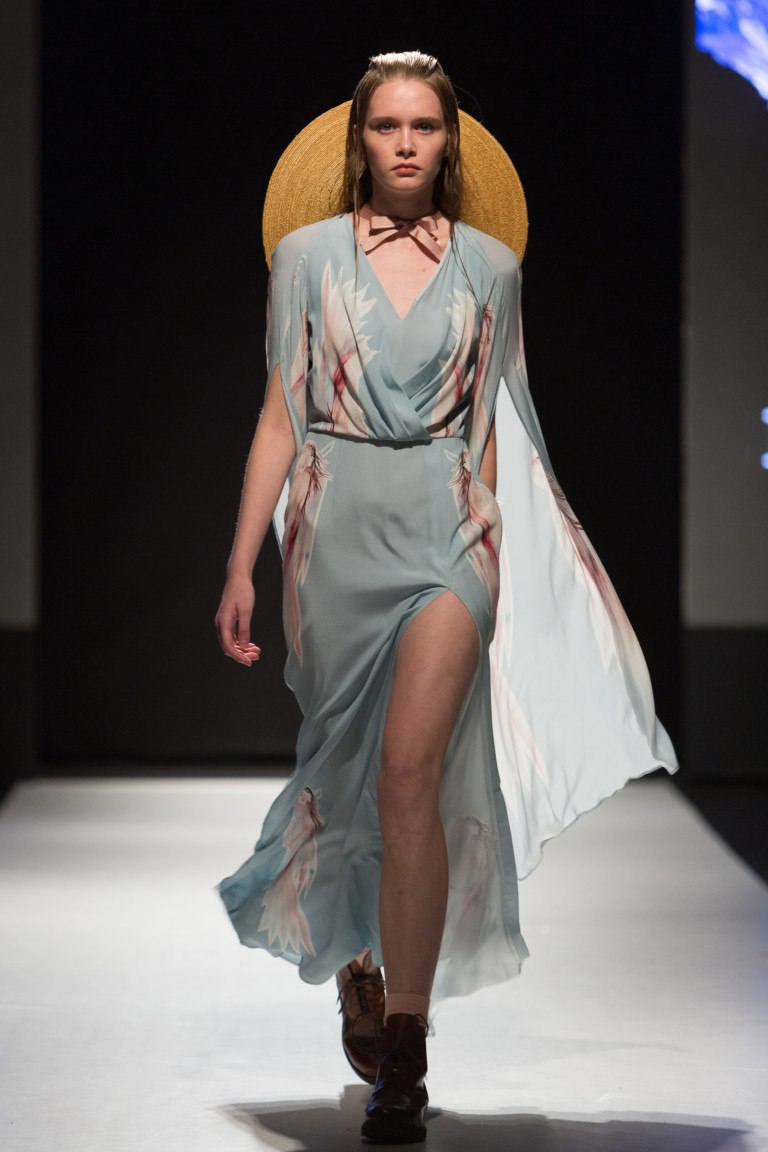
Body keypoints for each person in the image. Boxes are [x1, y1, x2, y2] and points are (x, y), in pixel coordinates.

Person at [215, 50, 677, 1145]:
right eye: (387, 126)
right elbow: (280, 415)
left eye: (425, 126)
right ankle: (359, 961)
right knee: (347, 772)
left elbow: (491, 425)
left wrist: (494, 547)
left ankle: (406, 1048)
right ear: (359, 141)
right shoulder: (305, 258)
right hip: (334, 532)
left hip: (448, 533)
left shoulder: (492, 269)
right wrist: (240, 564)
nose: (406, 144)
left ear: (450, 143)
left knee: (410, 773)